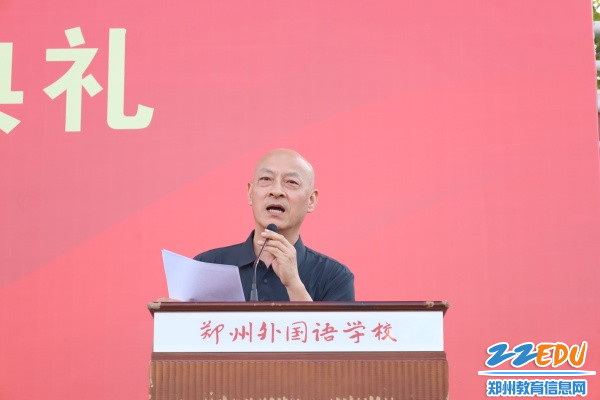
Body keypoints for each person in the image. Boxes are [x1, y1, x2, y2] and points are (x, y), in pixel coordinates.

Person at [194, 148, 354, 301]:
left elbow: (329, 323)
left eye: (291, 182)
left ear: (311, 200)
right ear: (250, 193)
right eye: (266, 179)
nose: (276, 191)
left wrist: (294, 285)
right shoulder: (207, 265)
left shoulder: (334, 277)